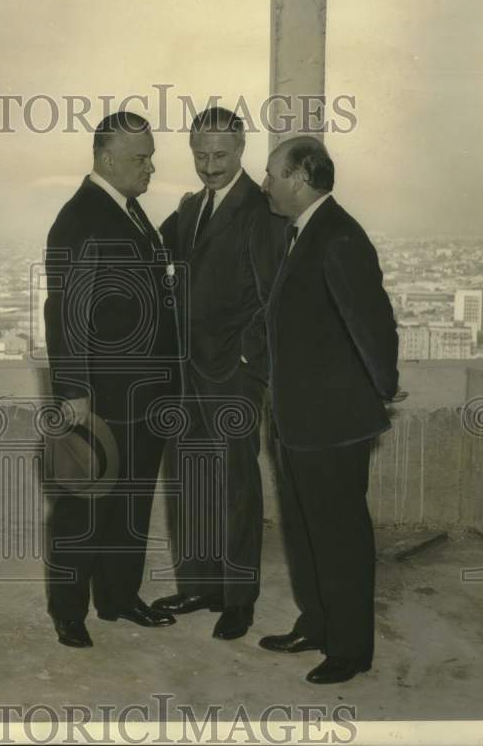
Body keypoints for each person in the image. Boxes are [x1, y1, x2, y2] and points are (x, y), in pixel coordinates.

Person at [258, 135, 401, 684]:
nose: (265, 184)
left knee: (339, 534)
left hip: (333, 424)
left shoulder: (338, 235)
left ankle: (350, 649)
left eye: (272, 174)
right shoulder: (304, 233)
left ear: (300, 178)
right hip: (299, 421)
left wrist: (382, 386)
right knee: (305, 529)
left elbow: (374, 323)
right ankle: (317, 623)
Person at [42, 112, 180, 648]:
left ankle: (119, 597)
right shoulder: (79, 218)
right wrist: (73, 393)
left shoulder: (127, 210)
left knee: (131, 500)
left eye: (150, 156)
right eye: (140, 158)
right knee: (85, 505)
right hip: (98, 397)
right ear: (106, 159)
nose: (151, 167)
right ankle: (68, 612)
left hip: (142, 395)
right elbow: (67, 314)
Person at [152, 107, 285, 640]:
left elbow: (274, 297)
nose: (209, 165)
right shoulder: (190, 209)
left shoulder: (261, 210)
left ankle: (238, 598)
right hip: (185, 374)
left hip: (231, 376)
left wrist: (248, 361)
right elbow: (148, 245)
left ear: (242, 149)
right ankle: (200, 586)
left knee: (233, 482)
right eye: (201, 155)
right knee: (190, 478)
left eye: (220, 155)